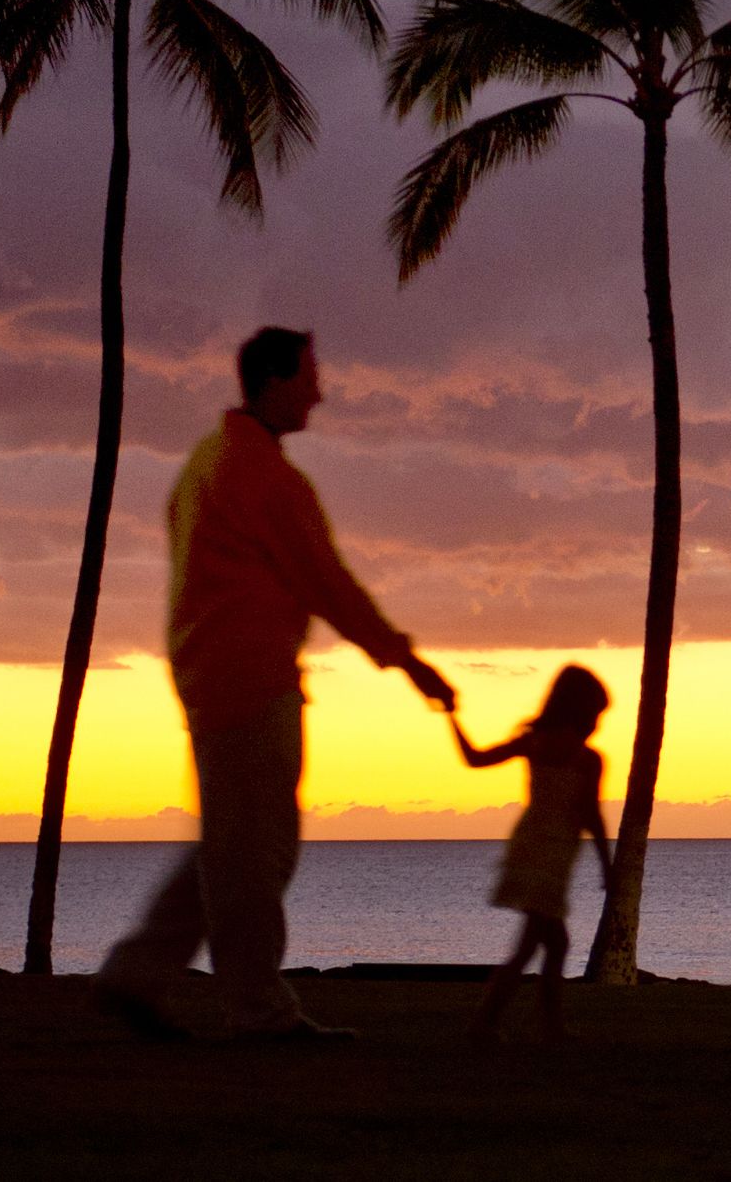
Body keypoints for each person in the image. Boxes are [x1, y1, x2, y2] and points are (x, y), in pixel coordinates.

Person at [97, 327, 456, 1041]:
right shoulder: (263, 476)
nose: (319, 391)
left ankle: (136, 975)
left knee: (234, 848)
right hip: (248, 679)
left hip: (213, 674)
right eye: (309, 377)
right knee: (255, 854)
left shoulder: (209, 461)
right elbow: (328, 582)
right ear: (274, 380)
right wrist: (406, 659)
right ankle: (257, 1010)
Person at [448, 664, 615, 1043]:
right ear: (582, 710)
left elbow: (474, 758)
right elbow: (591, 814)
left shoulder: (534, 742)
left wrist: (451, 717)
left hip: (529, 847)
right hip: (552, 855)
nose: (598, 722)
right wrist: (607, 864)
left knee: (552, 942)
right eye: (596, 713)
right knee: (534, 944)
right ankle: (493, 1024)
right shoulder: (588, 759)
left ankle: (543, 1026)